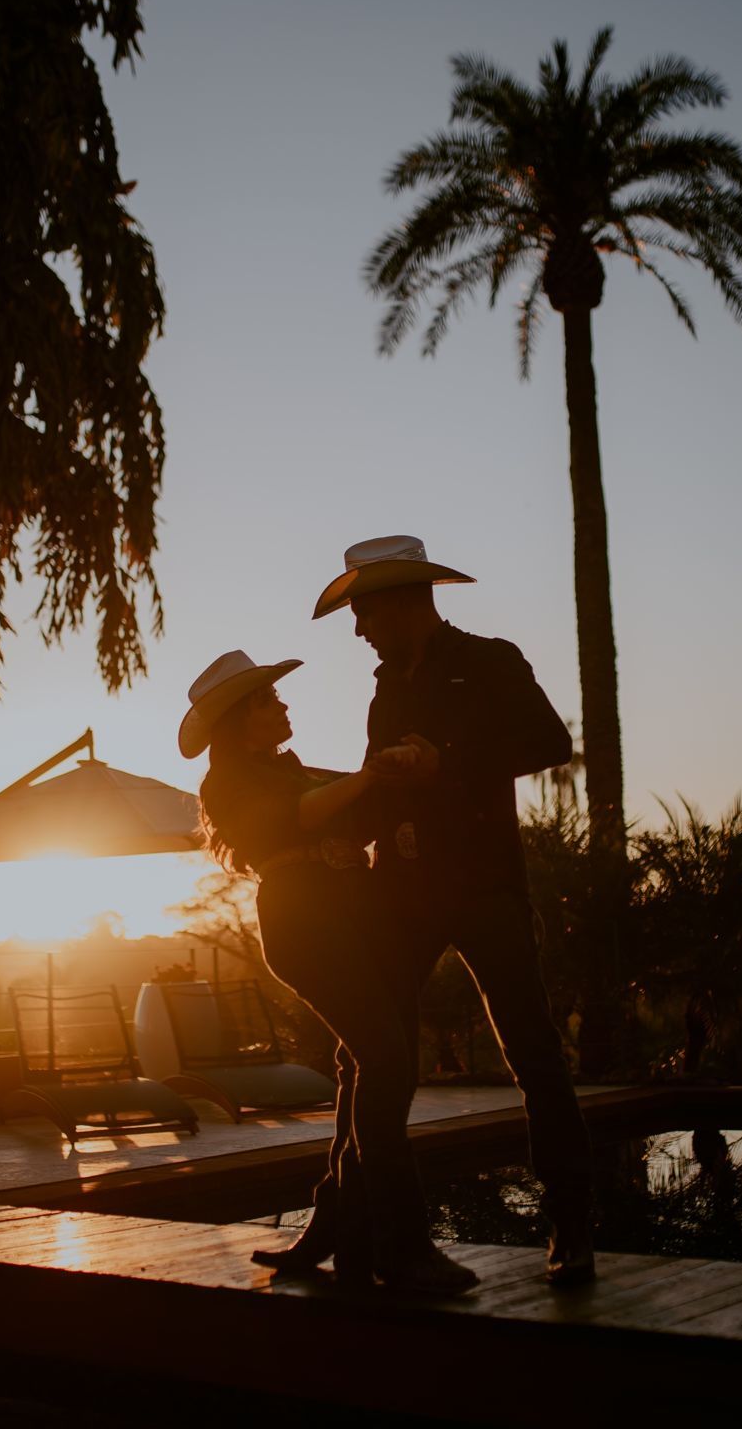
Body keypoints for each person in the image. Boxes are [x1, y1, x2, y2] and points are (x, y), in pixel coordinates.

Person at [304, 535, 596, 1287]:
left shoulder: (492, 661)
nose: (359, 629)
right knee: (361, 1059)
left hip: (485, 888)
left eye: (364, 612)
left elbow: (550, 741)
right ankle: (342, 1223)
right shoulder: (383, 692)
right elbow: (383, 791)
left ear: (405, 603)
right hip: (398, 895)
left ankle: (571, 1228)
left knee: (533, 1053)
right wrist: (343, 837)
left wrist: (450, 760)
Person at [180, 648, 477, 1294]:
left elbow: (356, 803)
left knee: (369, 1067)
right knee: (386, 1062)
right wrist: (370, 777)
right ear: (239, 720)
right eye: (268, 700)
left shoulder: (299, 771)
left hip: (359, 919)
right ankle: (401, 1246)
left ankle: (334, 1224)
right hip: (305, 925)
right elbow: (301, 817)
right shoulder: (227, 782)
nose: (283, 705)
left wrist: (401, 767)